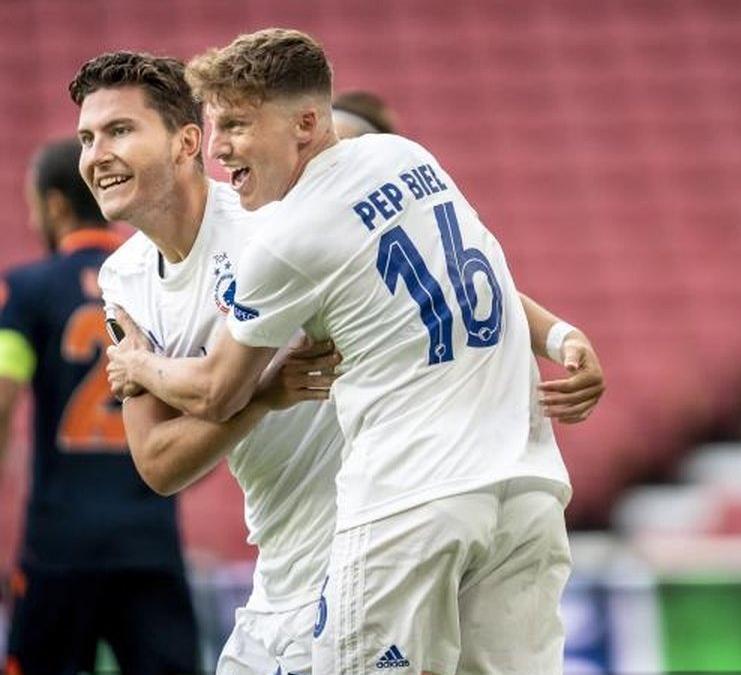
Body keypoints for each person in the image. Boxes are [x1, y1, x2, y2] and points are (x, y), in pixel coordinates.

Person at [82, 45, 600, 673]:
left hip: (374, 534)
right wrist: (269, 395)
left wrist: (144, 368)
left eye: (119, 131)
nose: (97, 155)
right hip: (298, 558)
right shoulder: (124, 280)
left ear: (183, 142)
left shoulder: (272, 218)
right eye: (86, 139)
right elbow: (159, 463)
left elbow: (218, 388)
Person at [1, 138, 198, 674]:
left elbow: (2, 397)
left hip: (58, 543)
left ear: (55, 206)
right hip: (149, 540)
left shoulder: (25, 289)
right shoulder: (155, 283)